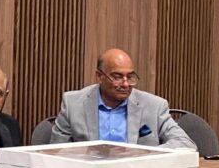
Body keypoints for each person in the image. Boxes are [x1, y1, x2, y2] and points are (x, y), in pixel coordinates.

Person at [50, 48, 195, 149]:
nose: (125, 84)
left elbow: (185, 143)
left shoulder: (154, 106)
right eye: (117, 77)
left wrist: (147, 155)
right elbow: (55, 152)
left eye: (130, 77)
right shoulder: (73, 104)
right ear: (99, 76)